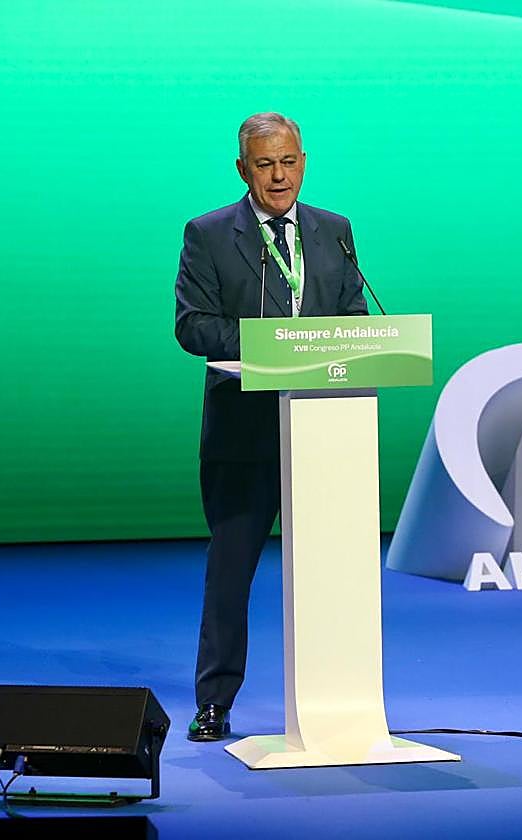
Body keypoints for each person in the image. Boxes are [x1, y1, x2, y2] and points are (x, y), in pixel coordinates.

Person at [174, 112, 369, 741]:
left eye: (288, 162)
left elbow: (353, 316)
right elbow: (192, 325)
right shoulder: (208, 234)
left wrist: (343, 342)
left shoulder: (334, 230)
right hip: (244, 435)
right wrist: (274, 344)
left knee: (336, 573)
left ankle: (342, 701)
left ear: (303, 162)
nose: (279, 176)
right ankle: (214, 702)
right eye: (265, 164)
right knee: (230, 576)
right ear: (243, 169)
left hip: (326, 433)